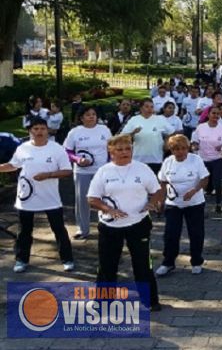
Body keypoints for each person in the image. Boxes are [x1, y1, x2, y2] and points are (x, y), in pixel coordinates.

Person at [87, 134, 163, 311]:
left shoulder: (142, 169)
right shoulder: (103, 171)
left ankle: (150, 301)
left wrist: (152, 203)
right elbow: (92, 199)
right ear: (111, 151)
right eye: (119, 149)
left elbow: (158, 190)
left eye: (128, 148)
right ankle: (104, 300)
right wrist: (108, 209)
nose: (124, 152)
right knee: (107, 264)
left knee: (143, 263)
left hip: (138, 224)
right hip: (110, 226)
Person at [0, 118, 74, 273]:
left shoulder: (57, 149)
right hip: (26, 198)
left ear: (47, 131)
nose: (39, 132)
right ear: (30, 131)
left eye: (42, 128)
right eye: (35, 129)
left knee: (59, 229)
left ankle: (67, 259)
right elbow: (13, 165)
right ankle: (21, 260)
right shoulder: (23, 148)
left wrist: (49, 175)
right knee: (24, 231)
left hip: (50, 198)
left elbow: (67, 171)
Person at [155, 135, 210, 276]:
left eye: (184, 148)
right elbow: (163, 182)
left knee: (196, 233)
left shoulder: (195, 160)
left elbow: (205, 178)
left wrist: (195, 190)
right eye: (176, 149)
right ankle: (168, 262)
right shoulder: (168, 162)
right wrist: (160, 200)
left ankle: (197, 261)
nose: (180, 152)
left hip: (194, 203)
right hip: (173, 203)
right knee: (171, 233)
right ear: (171, 150)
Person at [63, 106, 111, 239]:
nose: (91, 117)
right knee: (82, 200)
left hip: (102, 171)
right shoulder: (75, 132)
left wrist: (110, 165)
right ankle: (82, 229)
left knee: (105, 199)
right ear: (81, 118)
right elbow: (67, 151)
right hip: (82, 172)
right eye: (88, 114)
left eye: (94, 114)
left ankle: (107, 225)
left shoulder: (104, 130)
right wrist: (77, 159)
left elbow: (111, 148)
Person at [192, 106, 222, 214]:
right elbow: (194, 141)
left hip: (217, 158)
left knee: (217, 181)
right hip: (203, 159)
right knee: (203, 183)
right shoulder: (201, 127)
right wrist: (195, 146)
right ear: (208, 115)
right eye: (213, 113)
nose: (215, 116)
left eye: (218, 114)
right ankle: (200, 204)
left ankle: (218, 204)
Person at [122, 98, 176, 174]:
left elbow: (172, 132)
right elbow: (123, 136)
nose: (149, 109)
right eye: (147, 106)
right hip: (139, 158)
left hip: (156, 158)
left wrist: (166, 142)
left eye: (151, 107)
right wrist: (133, 133)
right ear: (141, 108)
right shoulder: (134, 120)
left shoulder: (160, 119)